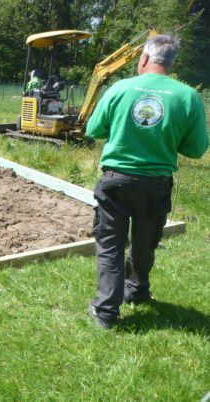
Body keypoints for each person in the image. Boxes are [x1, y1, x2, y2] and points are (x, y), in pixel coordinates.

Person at [85, 34, 208, 329]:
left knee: (111, 245)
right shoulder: (188, 96)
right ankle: (137, 291)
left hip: (115, 181)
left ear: (143, 59)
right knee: (145, 243)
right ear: (171, 63)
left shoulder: (119, 88)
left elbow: (94, 129)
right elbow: (195, 148)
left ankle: (106, 313)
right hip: (156, 184)